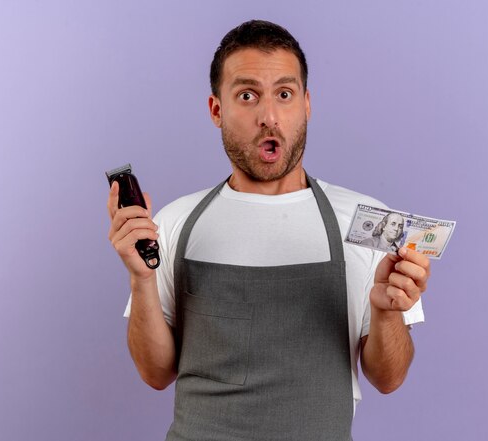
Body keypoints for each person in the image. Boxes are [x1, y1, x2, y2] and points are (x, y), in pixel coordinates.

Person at [107, 20, 431, 441]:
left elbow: (389, 378)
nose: (269, 116)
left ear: (307, 104)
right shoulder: (174, 223)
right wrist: (141, 278)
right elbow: (155, 373)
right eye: (247, 96)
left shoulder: (367, 224)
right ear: (216, 110)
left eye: (284, 94)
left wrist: (387, 311)